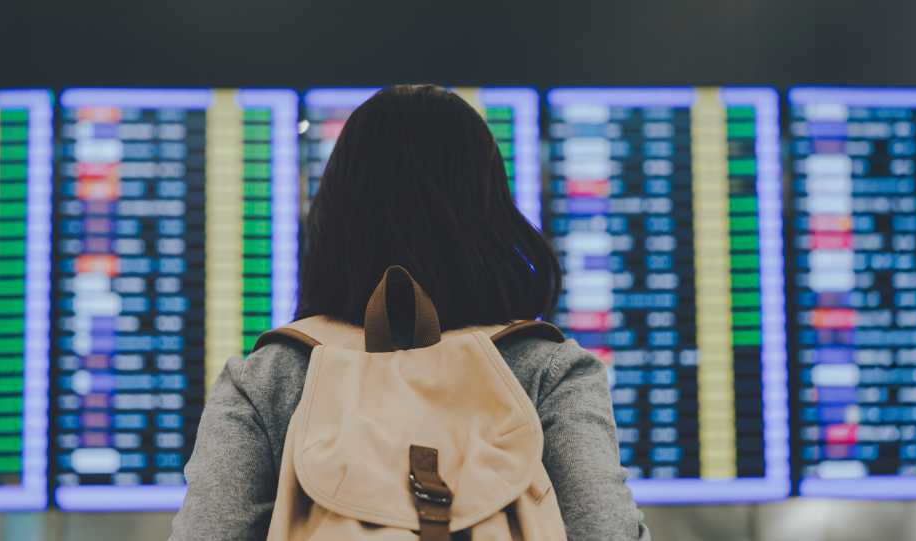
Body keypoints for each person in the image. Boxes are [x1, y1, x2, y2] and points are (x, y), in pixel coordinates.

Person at [169, 84, 649, 540]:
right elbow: (604, 531)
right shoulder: (548, 369)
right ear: (491, 212)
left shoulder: (270, 376)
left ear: (334, 218)